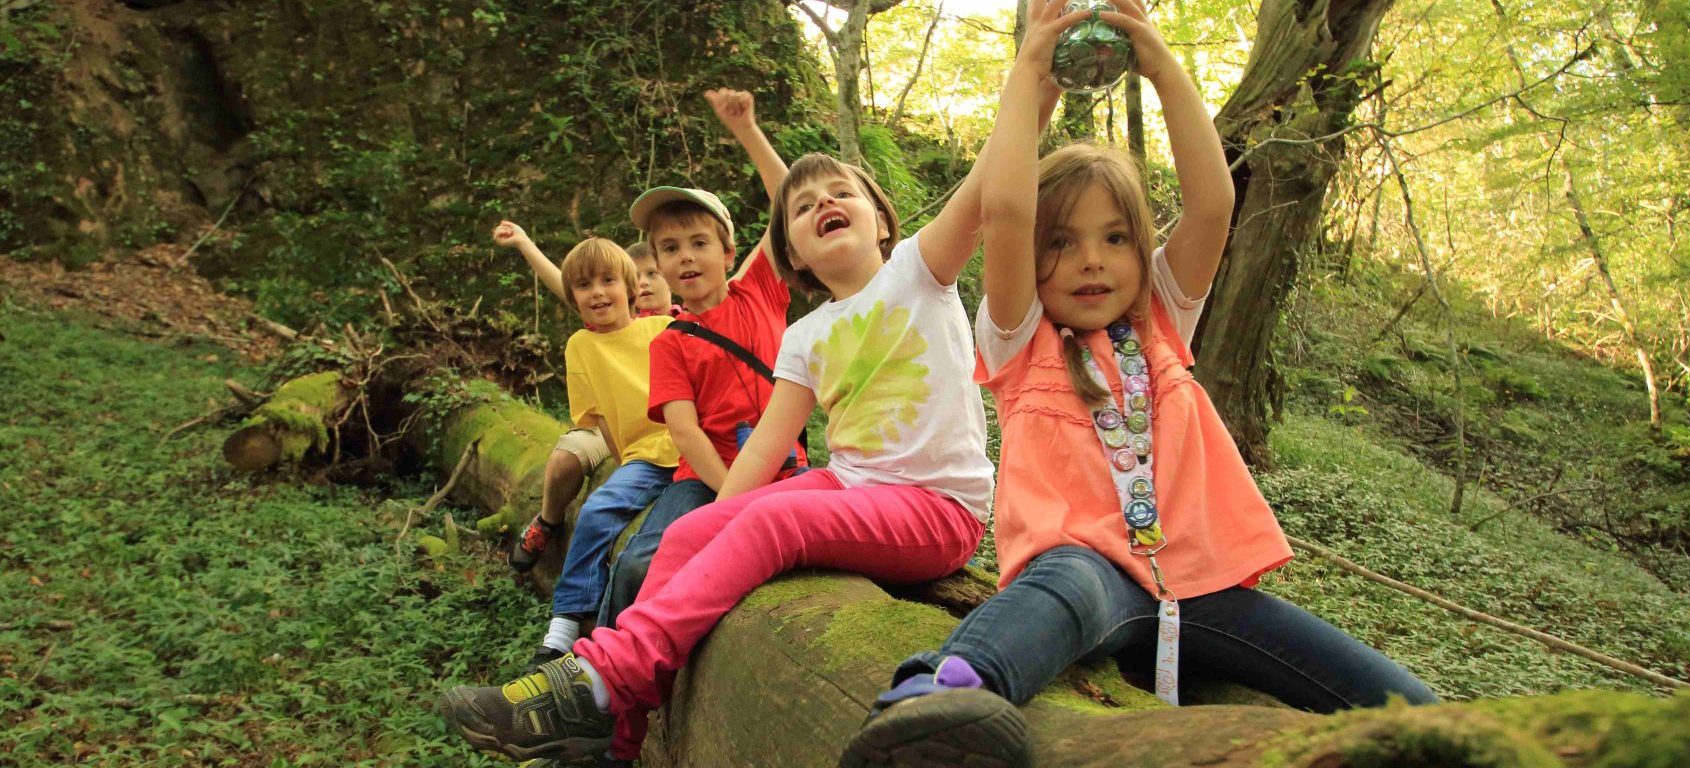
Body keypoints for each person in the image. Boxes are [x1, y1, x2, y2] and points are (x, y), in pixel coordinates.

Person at [840, 3, 1436, 766]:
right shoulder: (1020, 340)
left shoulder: (1160, 319)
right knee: (1063, 590)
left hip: (1202, 586)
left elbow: (1215, 203)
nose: (1092, 261)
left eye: (1116, 238)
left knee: (1404, 705)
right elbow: (1006, 207)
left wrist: (1158, 61)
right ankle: (940, 697)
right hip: (1089, 573)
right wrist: (1031, 74)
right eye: (1063, 243)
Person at [438, 96, 1012, 767]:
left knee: (769, 528)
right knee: (685, 533)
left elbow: (991, 178)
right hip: (849, 485)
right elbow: (767, 445)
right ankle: (615, 742)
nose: (821, 202)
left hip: (936, 509)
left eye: (840, 192)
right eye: (800, 207)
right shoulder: (804, 335)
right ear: (791, 250)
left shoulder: (920, 272)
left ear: (883, 219)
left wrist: (1036, 65)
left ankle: (599, 679)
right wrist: (720, 522)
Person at [593, 88, 810, 630]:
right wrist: (730, 497)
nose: (685, 256)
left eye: (698, 242)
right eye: (670, 248)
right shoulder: (670, 341)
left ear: (729, 253)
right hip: (705, 477)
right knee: (642, 560)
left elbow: (787, 200)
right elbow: (686, 434)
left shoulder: (758, 290)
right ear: (658, 268)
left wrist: (747, 131)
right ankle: (596, 670)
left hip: (788, 470)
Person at [519, 238, 680, 667]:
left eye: (608, 281)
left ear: (631, 288)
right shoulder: (581, 347)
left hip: (692, 450)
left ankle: (613, 651)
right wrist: (624, 462)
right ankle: (566, 621)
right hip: (644, 457)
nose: (598, 292)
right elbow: (601, 418)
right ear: (572, 297)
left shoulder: (660, 328)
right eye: (585, 285)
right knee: (597, 509)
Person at [491, 223, 675, 576]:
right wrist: (525, 243)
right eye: (642, 274)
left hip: (660, 429)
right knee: (564, 461)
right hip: (608, 419)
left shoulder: (675, 323)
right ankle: (547, 521)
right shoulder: (597, 325)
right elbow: (568, 284)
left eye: (654, 273)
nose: (647, 281)